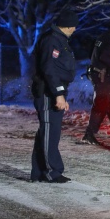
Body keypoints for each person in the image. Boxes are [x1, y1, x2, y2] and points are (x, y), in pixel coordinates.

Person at [31, 9, 79, 183]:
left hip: (54, 90)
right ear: (68, 25)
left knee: (48, 131)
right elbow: (49, 69)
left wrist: (61, 94)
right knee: (50, 131)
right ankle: (52, 171)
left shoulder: (59, 40)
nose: (75, 29)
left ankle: (39, 173)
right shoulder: (52, 40)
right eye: (74, 26)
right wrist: (58, 94)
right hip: (47, 92)